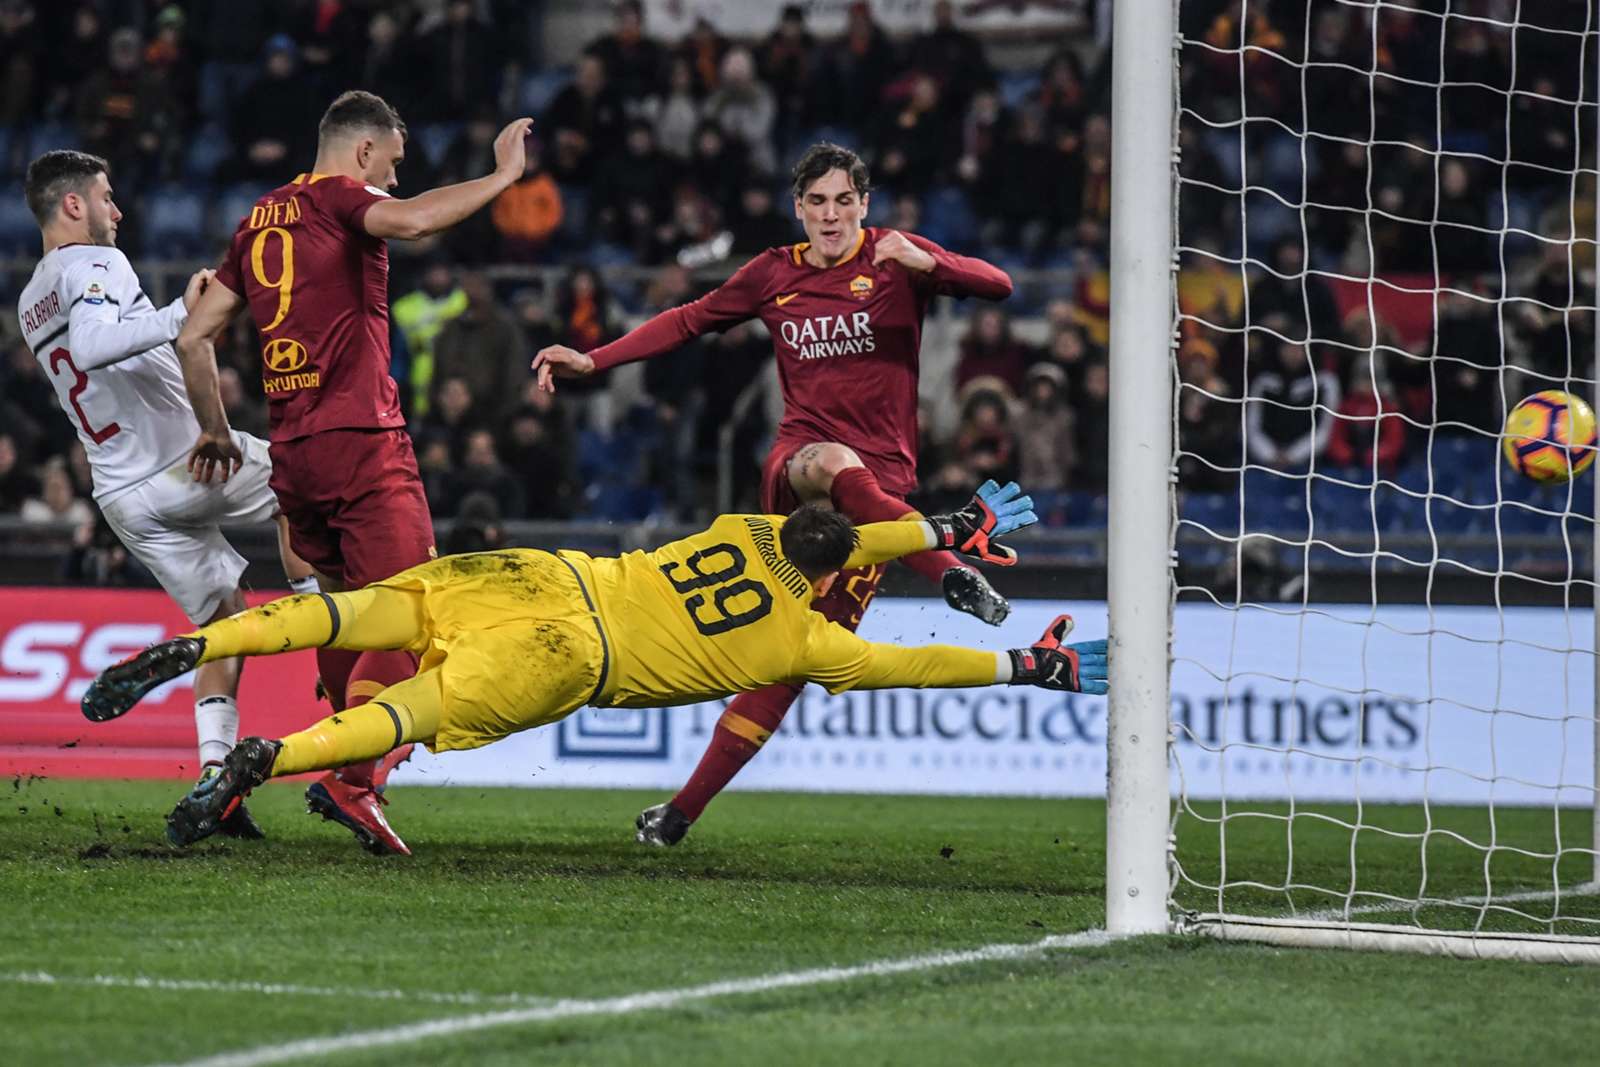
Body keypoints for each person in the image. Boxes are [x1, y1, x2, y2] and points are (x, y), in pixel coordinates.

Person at [82, 485, 1108, 851]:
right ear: (833, 571)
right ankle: (272, 752)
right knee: (405, 712)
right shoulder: (804, 641)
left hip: (535, 573)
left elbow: (853, 536)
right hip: (570, 652)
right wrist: (1025, 662)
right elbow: (910, 660)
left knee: (348, 610)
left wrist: (944, 523)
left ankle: (196, 645)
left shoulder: (744, 526)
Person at [533, 141, 1015, 845]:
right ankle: (951, 569)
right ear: (798, 208)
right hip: (800, 469)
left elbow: (998, 285)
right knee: (830, 458)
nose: (830, 215)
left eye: (843, 201)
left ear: (864, 205)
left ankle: (680, 812)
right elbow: (689, 319)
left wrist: (930, 263)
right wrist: (596, 358)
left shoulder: (895, 257)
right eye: (816, 202)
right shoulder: (772, 273)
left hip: (884, 496)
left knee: (789, 656)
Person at [172, 91, 535, 856]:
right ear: (364, 152)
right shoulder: (345, 197)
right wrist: (502, 178)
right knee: (418, 613)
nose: (394, 181)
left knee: (343, 608)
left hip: (293, 454)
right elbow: (417, 221)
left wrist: (213, 427)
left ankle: (332, 753)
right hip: (362, 442)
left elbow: (195, 335)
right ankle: (353, 779)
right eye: (394, 164)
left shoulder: (260, 216)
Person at [15, 150, 316, 835]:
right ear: (73, 206)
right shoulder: (95, 262)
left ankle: (215, 774)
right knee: (302, 479)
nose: (116, 212)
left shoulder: (32, 298)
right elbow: (94, 345)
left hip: (121, 494)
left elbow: (95, 353)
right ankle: (319, 623)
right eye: (107, 196)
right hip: (180, 465)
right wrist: (184, 308)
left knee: (223, 622)